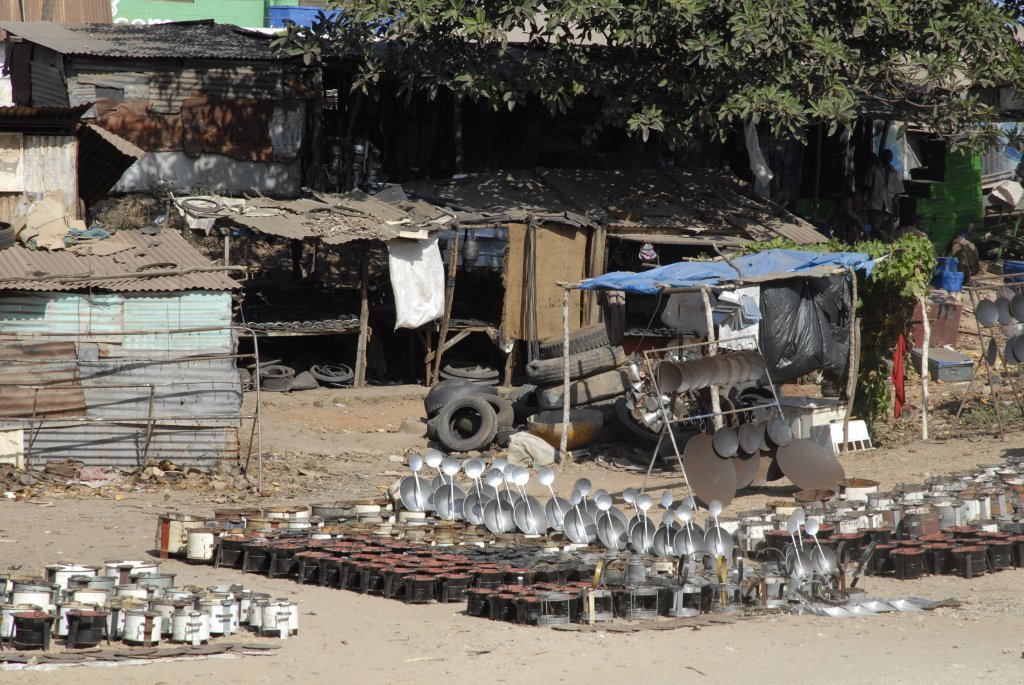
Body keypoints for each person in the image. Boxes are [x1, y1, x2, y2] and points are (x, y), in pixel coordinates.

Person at [864, 149, 904, 242]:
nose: (888, 159)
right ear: (882, 157)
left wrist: (897, 210)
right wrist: (866, 203)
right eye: (886, 156)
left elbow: (896, 195)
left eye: (890, 157)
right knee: (875, 232)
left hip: (889, 209)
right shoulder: (873, 170)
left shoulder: (896, 174)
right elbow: (868, 188)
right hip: (876, 206)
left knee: (888, 235)